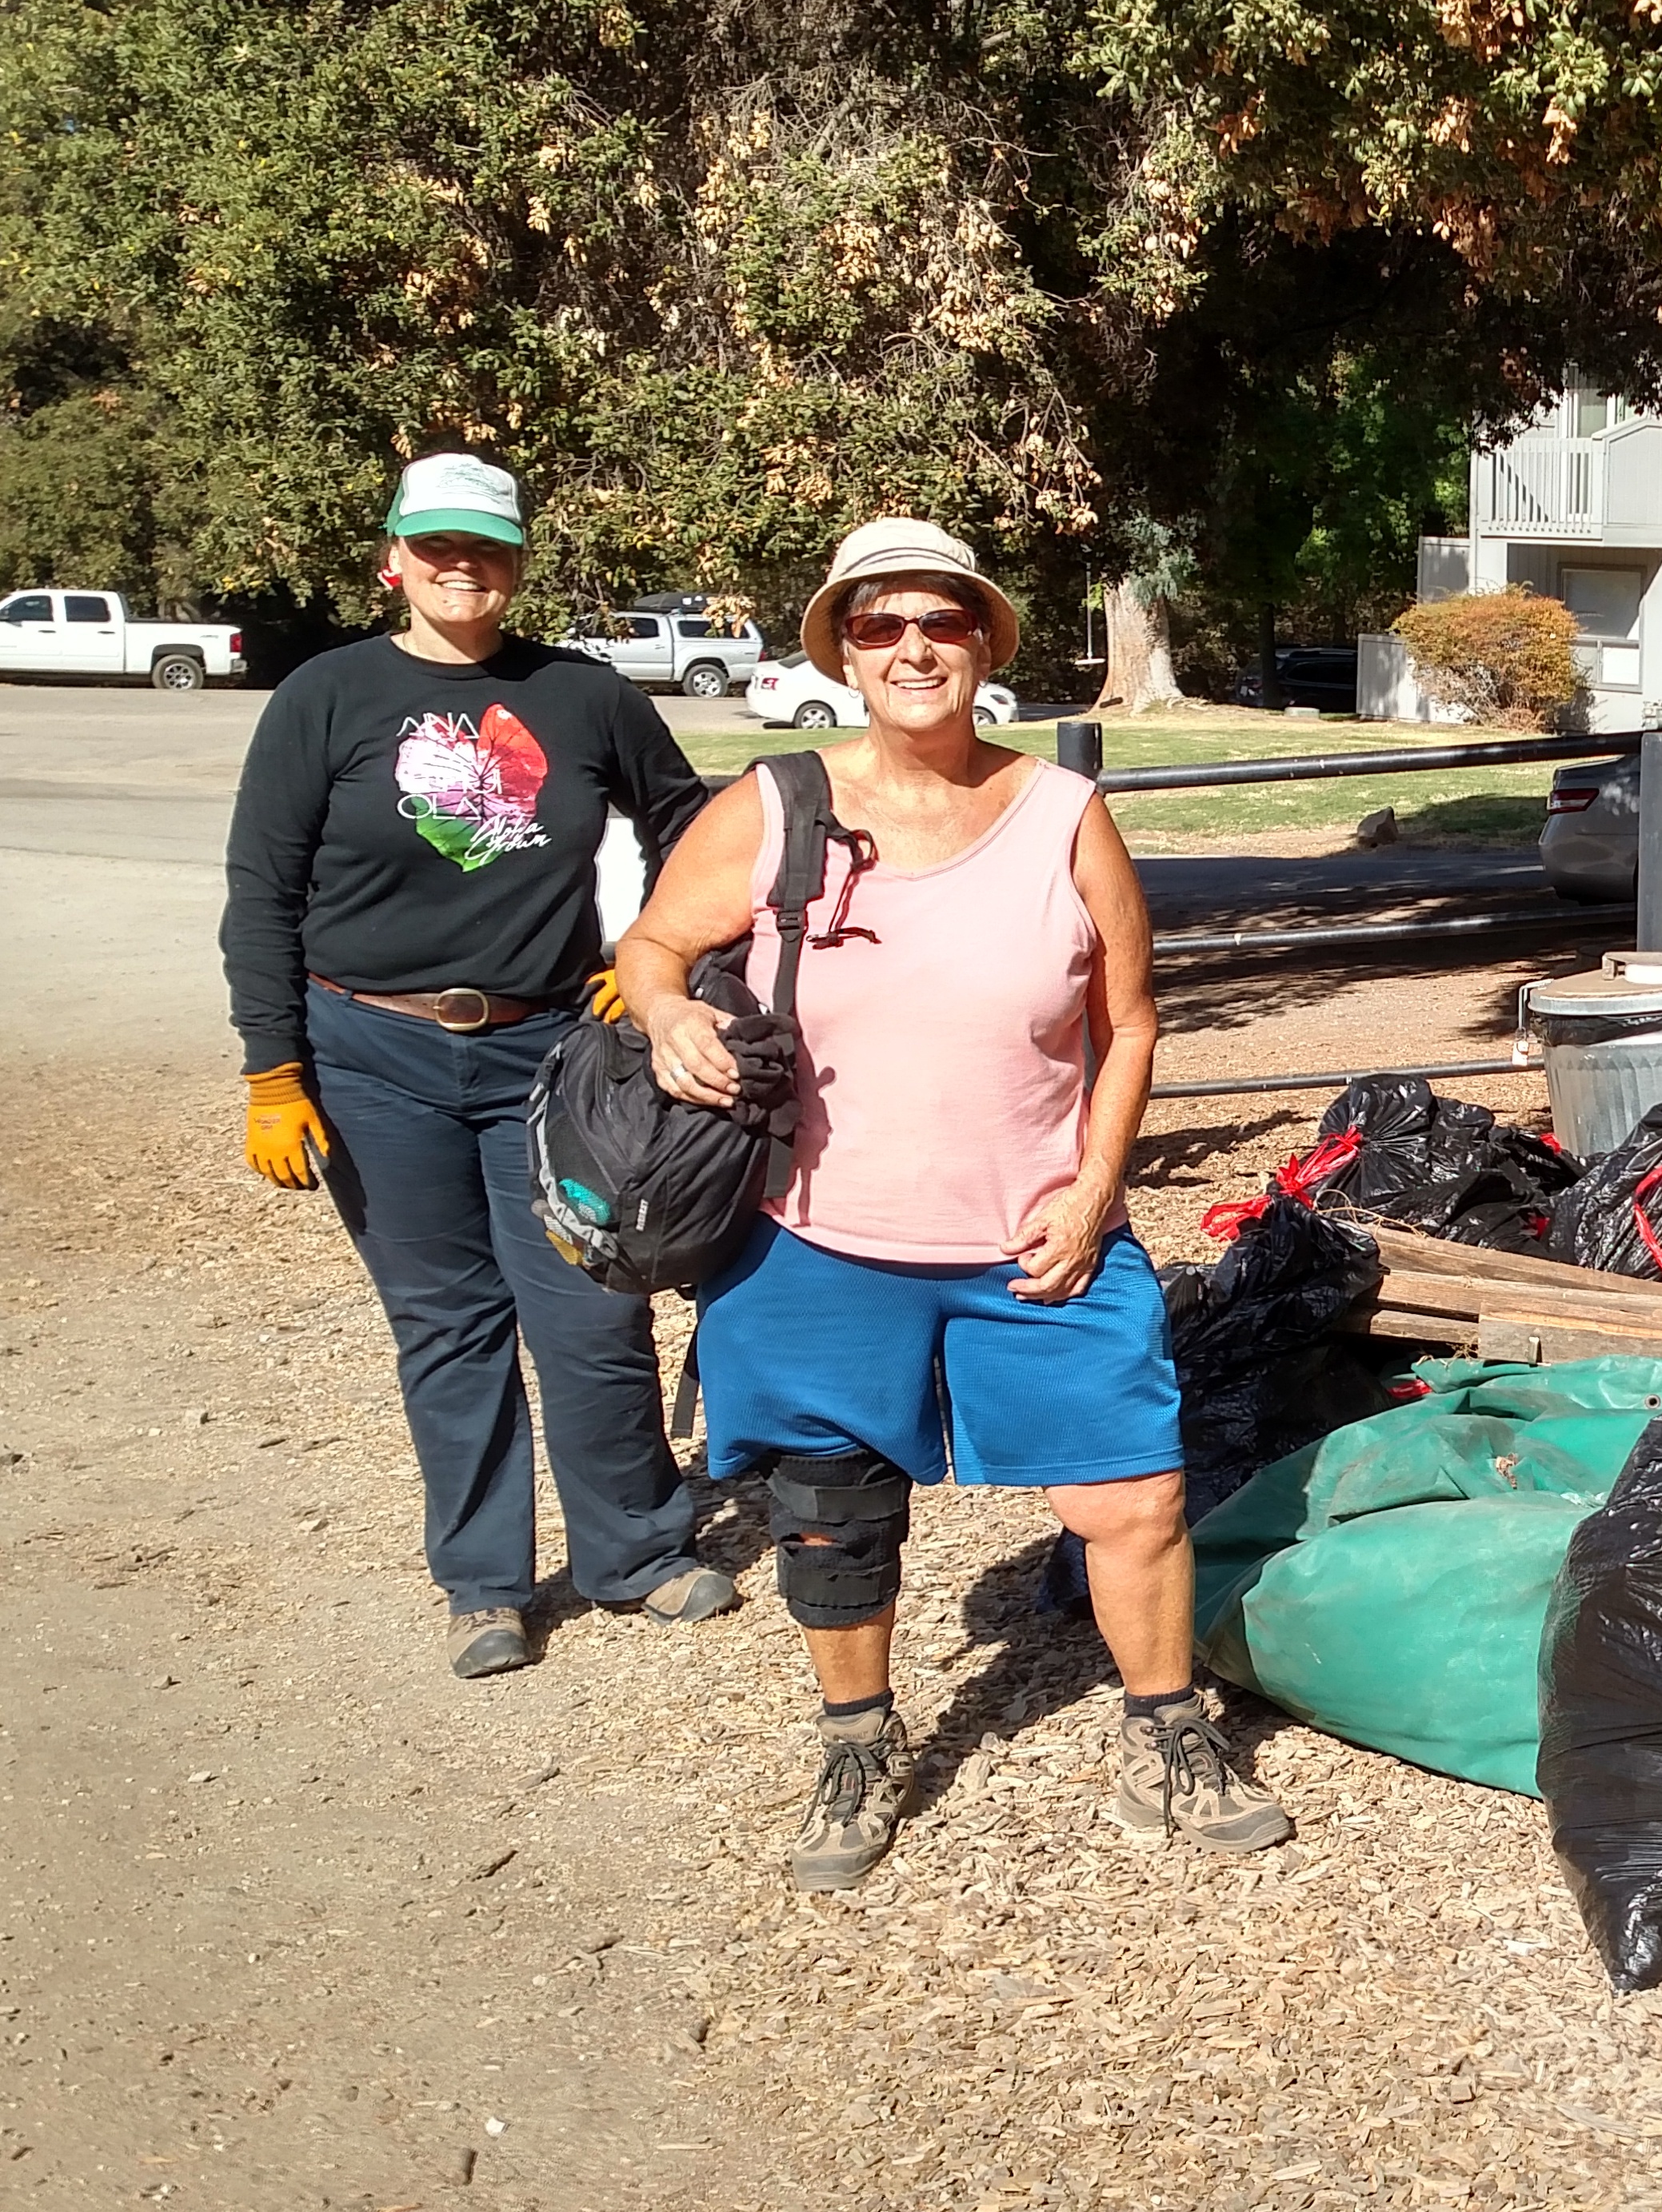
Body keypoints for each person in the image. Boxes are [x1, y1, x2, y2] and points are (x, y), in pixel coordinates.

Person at [613, 517, 1288, 1891]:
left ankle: (1162, 1727)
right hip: (816, 1237)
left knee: (1135, 1498)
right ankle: (856, 1743)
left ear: (983, 643)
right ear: (843, 649)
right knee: (832, 1510)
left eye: (942, 622)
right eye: (879, 625)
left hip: (1034, 1237)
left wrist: (1097, 1191)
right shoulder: (773, 803)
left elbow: (1133, 1023)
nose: (913, 648)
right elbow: (651, 943)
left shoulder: (1062, 815)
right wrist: (667, 1006)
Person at [221, 451, 734, 1679]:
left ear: (516, 565)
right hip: (368, 1057)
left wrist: (652, 956)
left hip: (549, 1053)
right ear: (393, 559)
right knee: (446, 1324)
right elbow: (263, 890)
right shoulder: (325, 696)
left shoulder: (583, 696)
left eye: (488, 549)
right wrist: (270, 1070)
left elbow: (699, 829)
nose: (463, 568)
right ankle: (485, 1585)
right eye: (438, 546)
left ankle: (636, 1553)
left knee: (593, 1306)